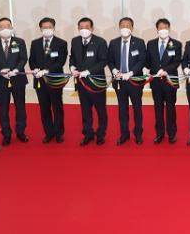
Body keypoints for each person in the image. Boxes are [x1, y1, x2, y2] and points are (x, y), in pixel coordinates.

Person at [0, 17, 28, 146]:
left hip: (18, 79)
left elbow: (23, 58)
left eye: (7, 26)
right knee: (3, 109)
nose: (5, 29)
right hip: (1, 81)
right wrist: (0, 70)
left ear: (12, 28)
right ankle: (6, 134)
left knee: (20, 107)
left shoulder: (19, 42)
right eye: (2, 27)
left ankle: (21, 132)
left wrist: (16, 69)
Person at [107, 17, 147, 145]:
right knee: (122, 109)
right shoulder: (113, 43)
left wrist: (131, 73)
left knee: (137, 108)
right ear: (119, 27)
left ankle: (138, 134)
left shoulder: (139, 42)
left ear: (132, 28)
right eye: (122, 25)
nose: (125, 28)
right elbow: (110, 60)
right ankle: (124, 134)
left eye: (128, 25)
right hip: (119, 82)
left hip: (134, 81)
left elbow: (142, 60)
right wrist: (114, 70)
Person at [69, 17, 109, 146]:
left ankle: (101, 134)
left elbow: (103, 61)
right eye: (81, 27)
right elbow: (72, 57)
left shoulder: (100, 42)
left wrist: (89, 71)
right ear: (78, 28)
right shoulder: (75, 41)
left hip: (96, 83)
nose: (84, 29)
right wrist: (72, 67)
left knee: (101, 111)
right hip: (81, 83)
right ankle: (88, 134)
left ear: (92, 28)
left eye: (87, 27)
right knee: (85, 111)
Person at [29, 17, 68, 143]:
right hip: (40, 81)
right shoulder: (35, 43)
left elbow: (60, 61)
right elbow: (31, 60)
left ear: (54, 28)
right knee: (44, 108)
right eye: (44, 27)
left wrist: (47, 70)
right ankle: (49, 132)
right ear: (40, 28)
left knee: (57, 107)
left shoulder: (61, 43)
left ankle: (59, 133)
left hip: (55, 80)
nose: (47, 29)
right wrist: (35, 68)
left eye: (49, 27)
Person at [145, 18, 183, 144]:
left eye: (165, 27)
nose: (163, 30)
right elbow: (148, 61)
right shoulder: (151, 44)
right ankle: (159, 133)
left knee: (171, 108)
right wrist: (145, 68)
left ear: (169, 28)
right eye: (161, 28)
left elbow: (177, 61)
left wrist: (166, 70)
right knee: (158, 108)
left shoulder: (176, 44)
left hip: (169, 80)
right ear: (157, 29)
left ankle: (172, 133)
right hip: (155, 82)